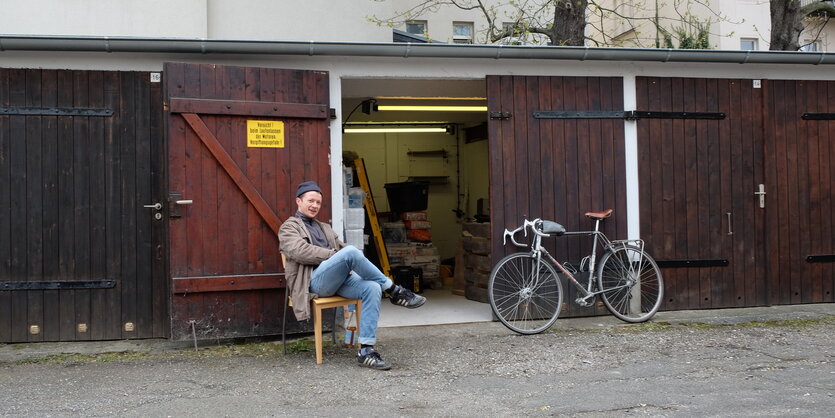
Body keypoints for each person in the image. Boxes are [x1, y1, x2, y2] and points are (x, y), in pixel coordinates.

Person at [279, 180, 426, 370]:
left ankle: (366, 351)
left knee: (372, 287)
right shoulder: (288, 227)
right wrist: (336, 256)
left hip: (336, 280)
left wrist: (342, 258)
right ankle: (394, 290)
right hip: (313, 283)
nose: (315, 206)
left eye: (318, 203)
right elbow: (299, 251)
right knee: (351, 252)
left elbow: (342, 249)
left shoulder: (324, 227)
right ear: (298, 201)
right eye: (310, 201)